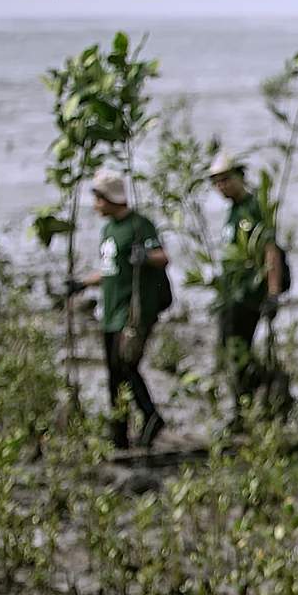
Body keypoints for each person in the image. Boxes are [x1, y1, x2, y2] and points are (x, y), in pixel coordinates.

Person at [70, 167, 170, 450]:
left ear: (111, 198)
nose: (96, 205)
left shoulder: (139, 225)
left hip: (133, 312)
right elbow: (110, 271)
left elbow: (162, 257)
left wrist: (145, 257)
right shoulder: (108, 230)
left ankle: (151, 418)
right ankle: (119, 433)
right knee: (114, 373)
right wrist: (82, 284)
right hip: (110, 313)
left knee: (126, 367)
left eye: (99, 198)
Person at [208, 152, 285, 423]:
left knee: (238, 351)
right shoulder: (233, 211)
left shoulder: (253, 208)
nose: (221, 187)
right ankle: (247, 405)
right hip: (231, 295)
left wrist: (273, 294)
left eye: (225, 180)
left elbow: (270, 251)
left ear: (240, 177)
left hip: (249, 296)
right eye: (216, 182)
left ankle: (262, 397)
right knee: (229, 350)